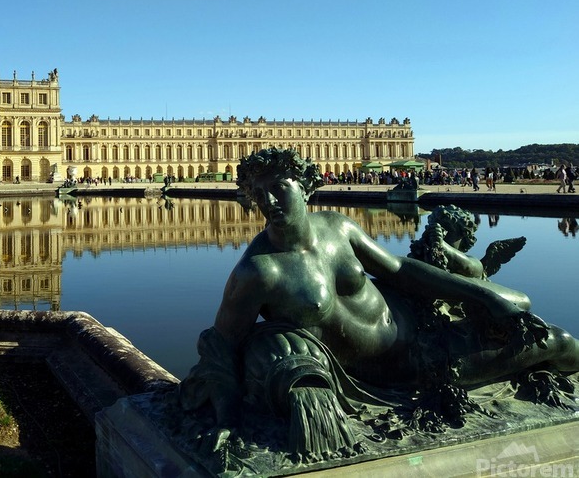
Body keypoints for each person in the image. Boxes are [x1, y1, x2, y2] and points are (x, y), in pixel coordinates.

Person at [180, 148, 579, 455]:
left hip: (419, 323)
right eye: (258, 193)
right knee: (558, 343)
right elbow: (221, 346)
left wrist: (482, 293)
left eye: (279, 187)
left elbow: (400, 270)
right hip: (401, 368)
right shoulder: (258, 272)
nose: (269, 201)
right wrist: (227, 421)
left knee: (524, 310)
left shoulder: (338, 226)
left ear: (305, 185)